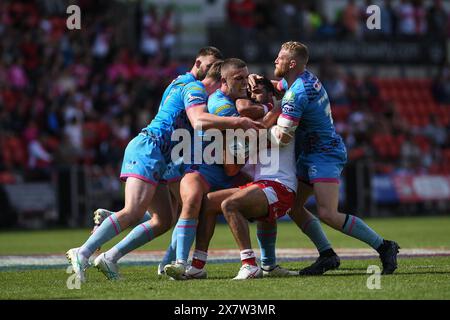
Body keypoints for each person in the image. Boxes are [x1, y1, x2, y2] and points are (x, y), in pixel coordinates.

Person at [66, 47, 262, 282]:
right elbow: (198, 121)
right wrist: (239, 121)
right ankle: (84, 251)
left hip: (166, 156)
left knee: (163, 220)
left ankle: (110, 256)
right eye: (235, 79)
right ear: (221, 79)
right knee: (135, 210)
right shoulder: (194, 88)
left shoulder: (179, 82)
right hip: (150, 148)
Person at [249, 41, 400, 275]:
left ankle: (384, 246)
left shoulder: (296, 93)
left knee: (328, 213)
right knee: (294, 206)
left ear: (291, 63)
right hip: (312, 153)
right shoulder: (302, 78)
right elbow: (279, 84)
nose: (274, 61)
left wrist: (251, 131)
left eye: (279, 57)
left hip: (324, 154)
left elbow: (282, 138)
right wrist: (260, 80)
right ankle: (327, 255)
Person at [164, 58, 263, 280]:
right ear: (223, 82)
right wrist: (267, 109)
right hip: (206, 168)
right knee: (191, 201)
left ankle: (265, 263)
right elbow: (231, 164)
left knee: (268, 196)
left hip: (228, 169)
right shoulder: (222, 105)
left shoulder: (236, 98)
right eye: (238, 78)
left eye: (246, 77)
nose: (244, 83)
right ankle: (181, 263)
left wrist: (264, 84)